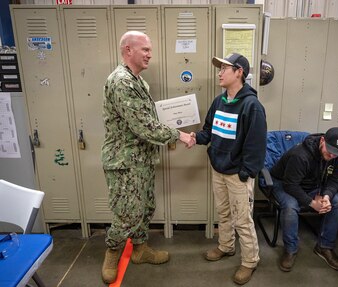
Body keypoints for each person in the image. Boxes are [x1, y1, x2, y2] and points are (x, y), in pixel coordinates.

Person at [101, 31, 195, 284]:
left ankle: (140, 250)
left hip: (141, 159)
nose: (149, 54)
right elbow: (143, 125)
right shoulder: (122, 81)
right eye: (144, 49)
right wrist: (179, 135)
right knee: (126, 214)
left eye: (150, 50)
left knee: (145, 207)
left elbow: (149, 119)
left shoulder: (139, 81)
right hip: (124, 162)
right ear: (127, 51)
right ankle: (112, 252)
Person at [191, 53, 267, 285]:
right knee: (223, 213)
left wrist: (245, 173)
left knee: (242, 219)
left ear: (239, 72)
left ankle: (250, 261)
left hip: (238, 175)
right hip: (218, 169)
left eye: (224, 68)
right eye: (219, 68)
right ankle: (226, 246)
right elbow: (208, 132)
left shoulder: (252, 106)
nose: (219, 73)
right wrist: (195, 137)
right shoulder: (219, 102)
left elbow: (256, 148)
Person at [270, 127, 338, 272]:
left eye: (337, 153)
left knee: (337, 201)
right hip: (283, 183)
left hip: (312, 184)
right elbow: (291, 185)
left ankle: (324, 247)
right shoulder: (300, 155)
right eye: (330, 150)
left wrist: (326, 196)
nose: (332, 155)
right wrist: (312, 203)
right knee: (290, 205)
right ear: (322, 140)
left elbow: (334, 181)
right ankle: (291, 249)